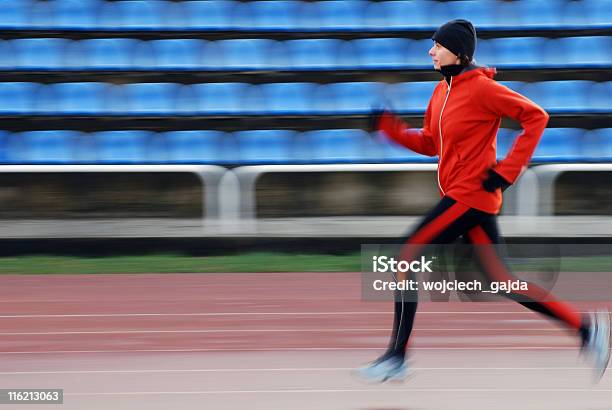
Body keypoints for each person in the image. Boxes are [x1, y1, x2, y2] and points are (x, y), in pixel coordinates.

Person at [355, 19, 610, 383]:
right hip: (460, 194)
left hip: (470, 194)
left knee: (406, 255)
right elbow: (431, 143)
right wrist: (389, 128)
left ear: (458, 53)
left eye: (438, 46)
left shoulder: (482, 89)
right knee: (501, 278)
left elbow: (537, 117)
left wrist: (508, 172)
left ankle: (396, 357)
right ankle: (587, 330)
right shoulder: (441, 92)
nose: (431, 51)